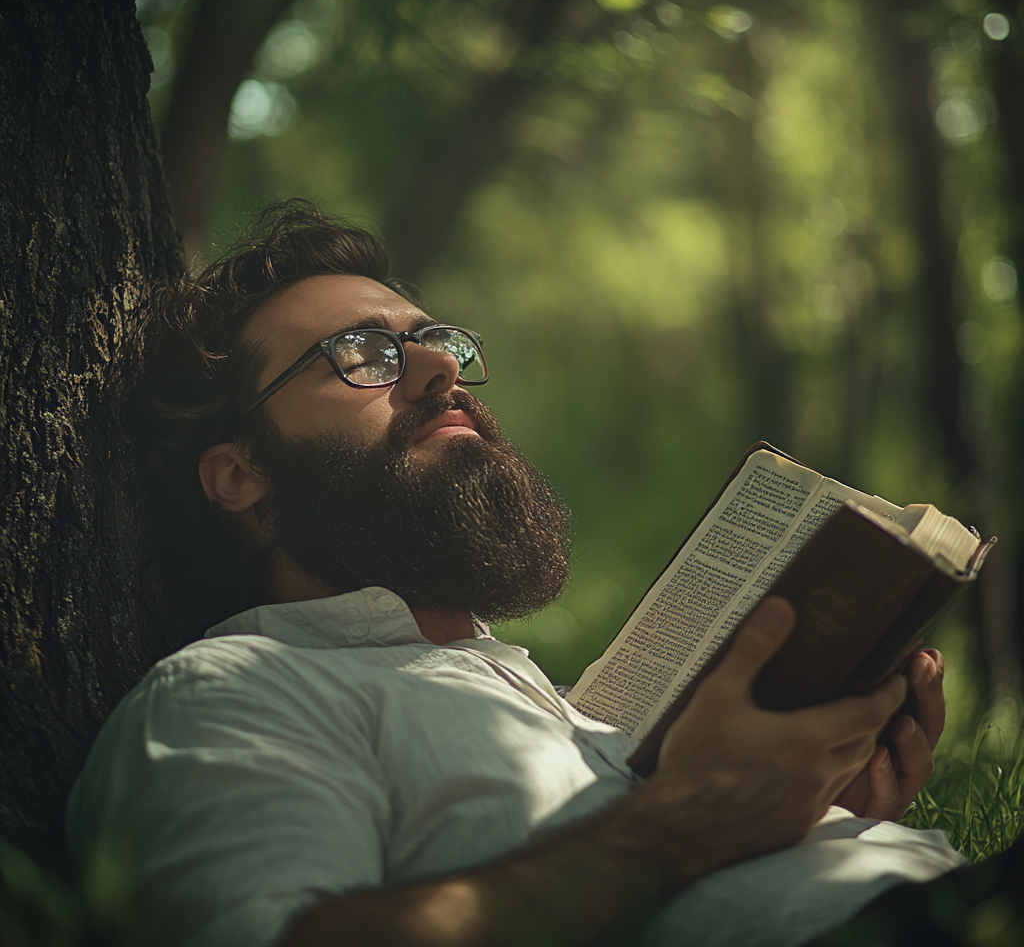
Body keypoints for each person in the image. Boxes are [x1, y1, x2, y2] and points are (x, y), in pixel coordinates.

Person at [67, 202, 965, 947]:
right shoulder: (233, 694)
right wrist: (685, 827)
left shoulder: (583, 710)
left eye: (436, 341)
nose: (440, 368)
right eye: (361, 354)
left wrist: (807, 805)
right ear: (240, 473)